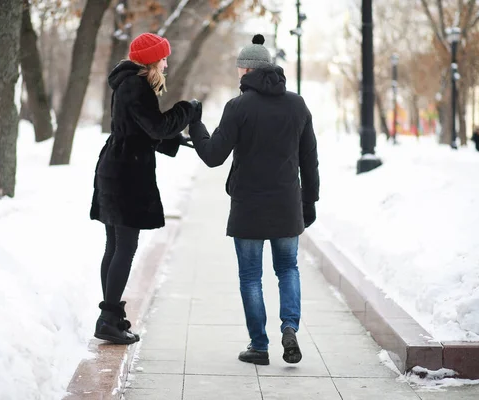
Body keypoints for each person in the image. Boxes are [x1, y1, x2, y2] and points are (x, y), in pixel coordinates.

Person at [188, 34, 320, 365]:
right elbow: (310, 160)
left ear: (247, 70)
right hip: (287, 205)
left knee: (251, 277)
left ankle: (259, 346)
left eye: (239, 69)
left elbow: (214, 155)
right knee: (288, 269)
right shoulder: (297, 104)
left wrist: (195, 125)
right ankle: (289, 328)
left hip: (248, 207)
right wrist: (310, 202)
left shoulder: (238, 107)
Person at [90, 32, 198, 345]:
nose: (166, 62)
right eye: (163, 57)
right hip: (127, 173)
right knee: (125, 245)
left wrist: (174, 140)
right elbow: (157, 126)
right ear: (151, 60)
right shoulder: (136, 85)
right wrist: (187, 110)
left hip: (117, 165)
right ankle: (108, 318)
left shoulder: (128, 83)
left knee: (115, 244)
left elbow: (142, 128)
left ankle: (110, 316)